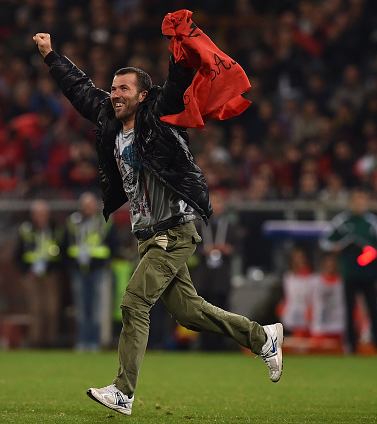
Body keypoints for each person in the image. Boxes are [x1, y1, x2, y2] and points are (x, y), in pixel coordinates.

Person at [34, 30, 283, 416]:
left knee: (134, 303)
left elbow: (178, 81)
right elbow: (81, 90)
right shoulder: (111, 118)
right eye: (113, 88)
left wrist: (181, 45)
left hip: (173, 230)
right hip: (149, 236)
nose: (115, 94)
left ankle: (123, 391)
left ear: (143, 96)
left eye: (124, 89)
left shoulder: (158, 116)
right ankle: (262, 337)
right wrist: (51, 56)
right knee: (189, 312)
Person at [319, 187, 377, 353]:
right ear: (351, 202)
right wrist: (335, 247)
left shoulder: (373, 223)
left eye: (362, 199)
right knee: (349, 310)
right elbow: (325, 241)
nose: (359, 203)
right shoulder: (342, 221)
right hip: (350, 273)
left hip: (369, 274)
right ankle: (351, 345)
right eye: (356, 199)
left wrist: (371, 257)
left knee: (374, 309)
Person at [63, 192, 116, 352]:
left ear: (95, 206)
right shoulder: (73, 222)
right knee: (81, 308)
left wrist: (102, 261)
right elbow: (66, 245)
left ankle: (94, 342)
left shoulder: (104, 221)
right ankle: (82, 341)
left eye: (90, 205)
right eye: (85, 205)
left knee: (96, 308)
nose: (88, 208)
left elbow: (113, 244)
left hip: (97, 269)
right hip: (78, 270)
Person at [193, 191, 238, 351]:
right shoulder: (199, 226)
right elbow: (192, 248)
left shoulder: (229, 227)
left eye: (218, 203)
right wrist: (203, 251)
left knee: (222, 310)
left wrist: (228, 249)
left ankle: (221, 345)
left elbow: (238, 248)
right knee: (203, 311)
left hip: (222, 276)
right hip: (204, 276)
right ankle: (204, 345)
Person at [14, 199, 63, 348]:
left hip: (50, 275)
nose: (41, 217)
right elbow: (17, 255)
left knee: (51, 309)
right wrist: (26, 271)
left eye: (43, 214)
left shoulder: (55, 231)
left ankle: (50, 341)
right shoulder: (26, 230)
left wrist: (52, 269)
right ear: (33, 215)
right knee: (35, 309)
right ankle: (35, 342)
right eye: (38, 214)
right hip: (32, 276)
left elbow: (62, 253)